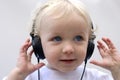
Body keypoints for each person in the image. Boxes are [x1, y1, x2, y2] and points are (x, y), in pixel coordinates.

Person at [3, 0, 120, 80]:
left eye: (78, 38)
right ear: (38, 45)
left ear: (89, 44)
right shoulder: (32, 77)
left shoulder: (96, 78)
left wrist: (117, 71)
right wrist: (18, 74)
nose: (68, 49)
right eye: (57, 38)